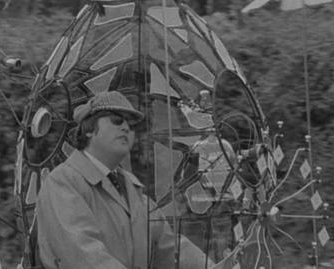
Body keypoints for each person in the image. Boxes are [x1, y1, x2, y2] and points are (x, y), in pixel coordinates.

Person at [36, 91, 214, 269]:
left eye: (131, 124)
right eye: (117, 120)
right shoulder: (63, 182)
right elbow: (83, 255)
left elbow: (170, 249)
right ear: (89, 129)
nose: (126, 128)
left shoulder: (135, 192)